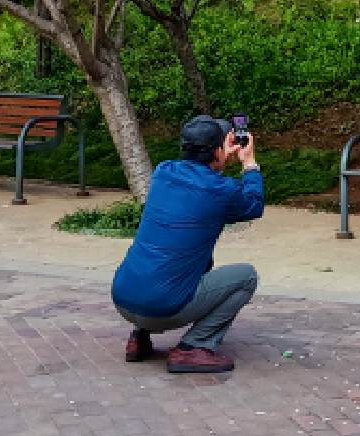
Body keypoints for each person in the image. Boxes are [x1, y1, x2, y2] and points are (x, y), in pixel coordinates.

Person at [110, 116, 264, 375]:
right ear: (217, 151)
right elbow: (253, 205)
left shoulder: (163, 172)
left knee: (186, 259)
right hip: (161, 309)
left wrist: (216, 159)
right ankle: (194, 347)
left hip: (123, 300)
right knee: (246, 277)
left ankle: (139, 337)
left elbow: (200, 186)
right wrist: (249, 163)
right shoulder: (221, 190)